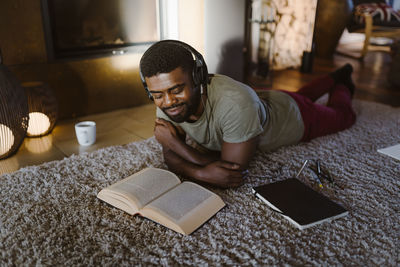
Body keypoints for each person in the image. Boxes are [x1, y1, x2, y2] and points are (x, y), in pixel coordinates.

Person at [139, 40, 356, 188]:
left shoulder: (236, 103)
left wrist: (178, 148)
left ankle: (343, 83)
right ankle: (335, 75)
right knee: (303, 94)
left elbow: (231, 170)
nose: (167, 102)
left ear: (198, 78)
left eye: (176, 90)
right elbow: (169, 158)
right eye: (157, 94)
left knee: (343, 115)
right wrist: (201, 171)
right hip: (265, 100)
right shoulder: (166, 101)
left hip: (297, 117)